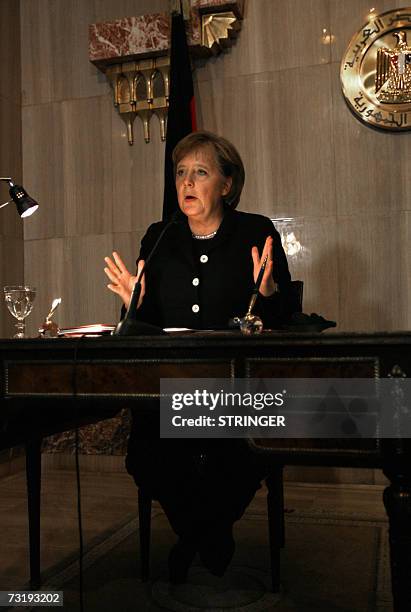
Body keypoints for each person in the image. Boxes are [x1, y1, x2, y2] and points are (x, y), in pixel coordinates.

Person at [104, 131, 294, 583]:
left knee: (236, 449)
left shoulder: (255, 231)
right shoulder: (160, 235)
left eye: (201, 172)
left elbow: (287, 316)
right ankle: (207, 534)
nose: (187, 182)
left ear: (227, 184)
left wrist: (267, 293)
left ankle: (198, 534)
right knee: (152, 451)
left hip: (238, 388)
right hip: (172, 386)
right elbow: (140, 322)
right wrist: (134, 303)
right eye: (181, 173)